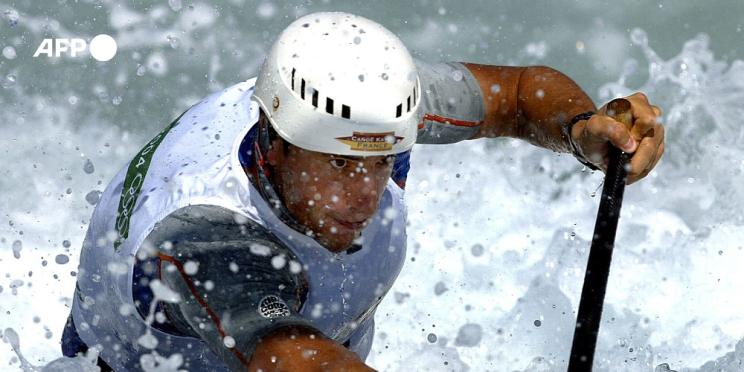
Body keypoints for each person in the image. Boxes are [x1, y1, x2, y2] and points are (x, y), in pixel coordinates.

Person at [60, 11, 664, 372]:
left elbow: (516, 94)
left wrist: (583, 130)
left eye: (382, 164)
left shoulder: (371, 104)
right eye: (341, 167)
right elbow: (290, 358)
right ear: (276, 139)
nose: (366, 193)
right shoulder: (202, 226)